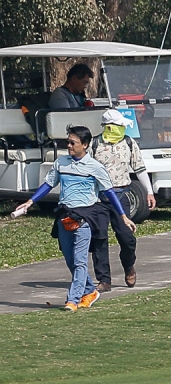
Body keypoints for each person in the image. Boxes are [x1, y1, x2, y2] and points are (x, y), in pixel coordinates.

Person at [9, 126, 133, 311]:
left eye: (72, 143)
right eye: (67, 142)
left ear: (85, 145)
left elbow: (109, 193)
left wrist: (123, 216)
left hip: (85, 217)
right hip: (65, 215)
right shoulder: (61, 163)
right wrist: (29, 201)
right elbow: (48, 184)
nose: (68, 146)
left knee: (80, 260)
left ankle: (72, 300)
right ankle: (90, 290)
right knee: (71, 260)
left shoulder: (96, 167)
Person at [88, 109, 152, 290]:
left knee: (126, 237)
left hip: (121, 195)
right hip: (99, 199)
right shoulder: (94, 144)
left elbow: (139, 169)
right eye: (119, 125)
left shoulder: (129, 143)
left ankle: (129, 266)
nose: (123, 128)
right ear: (109, 127)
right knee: (99, 238)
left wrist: (149, 192)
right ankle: (104, 280)